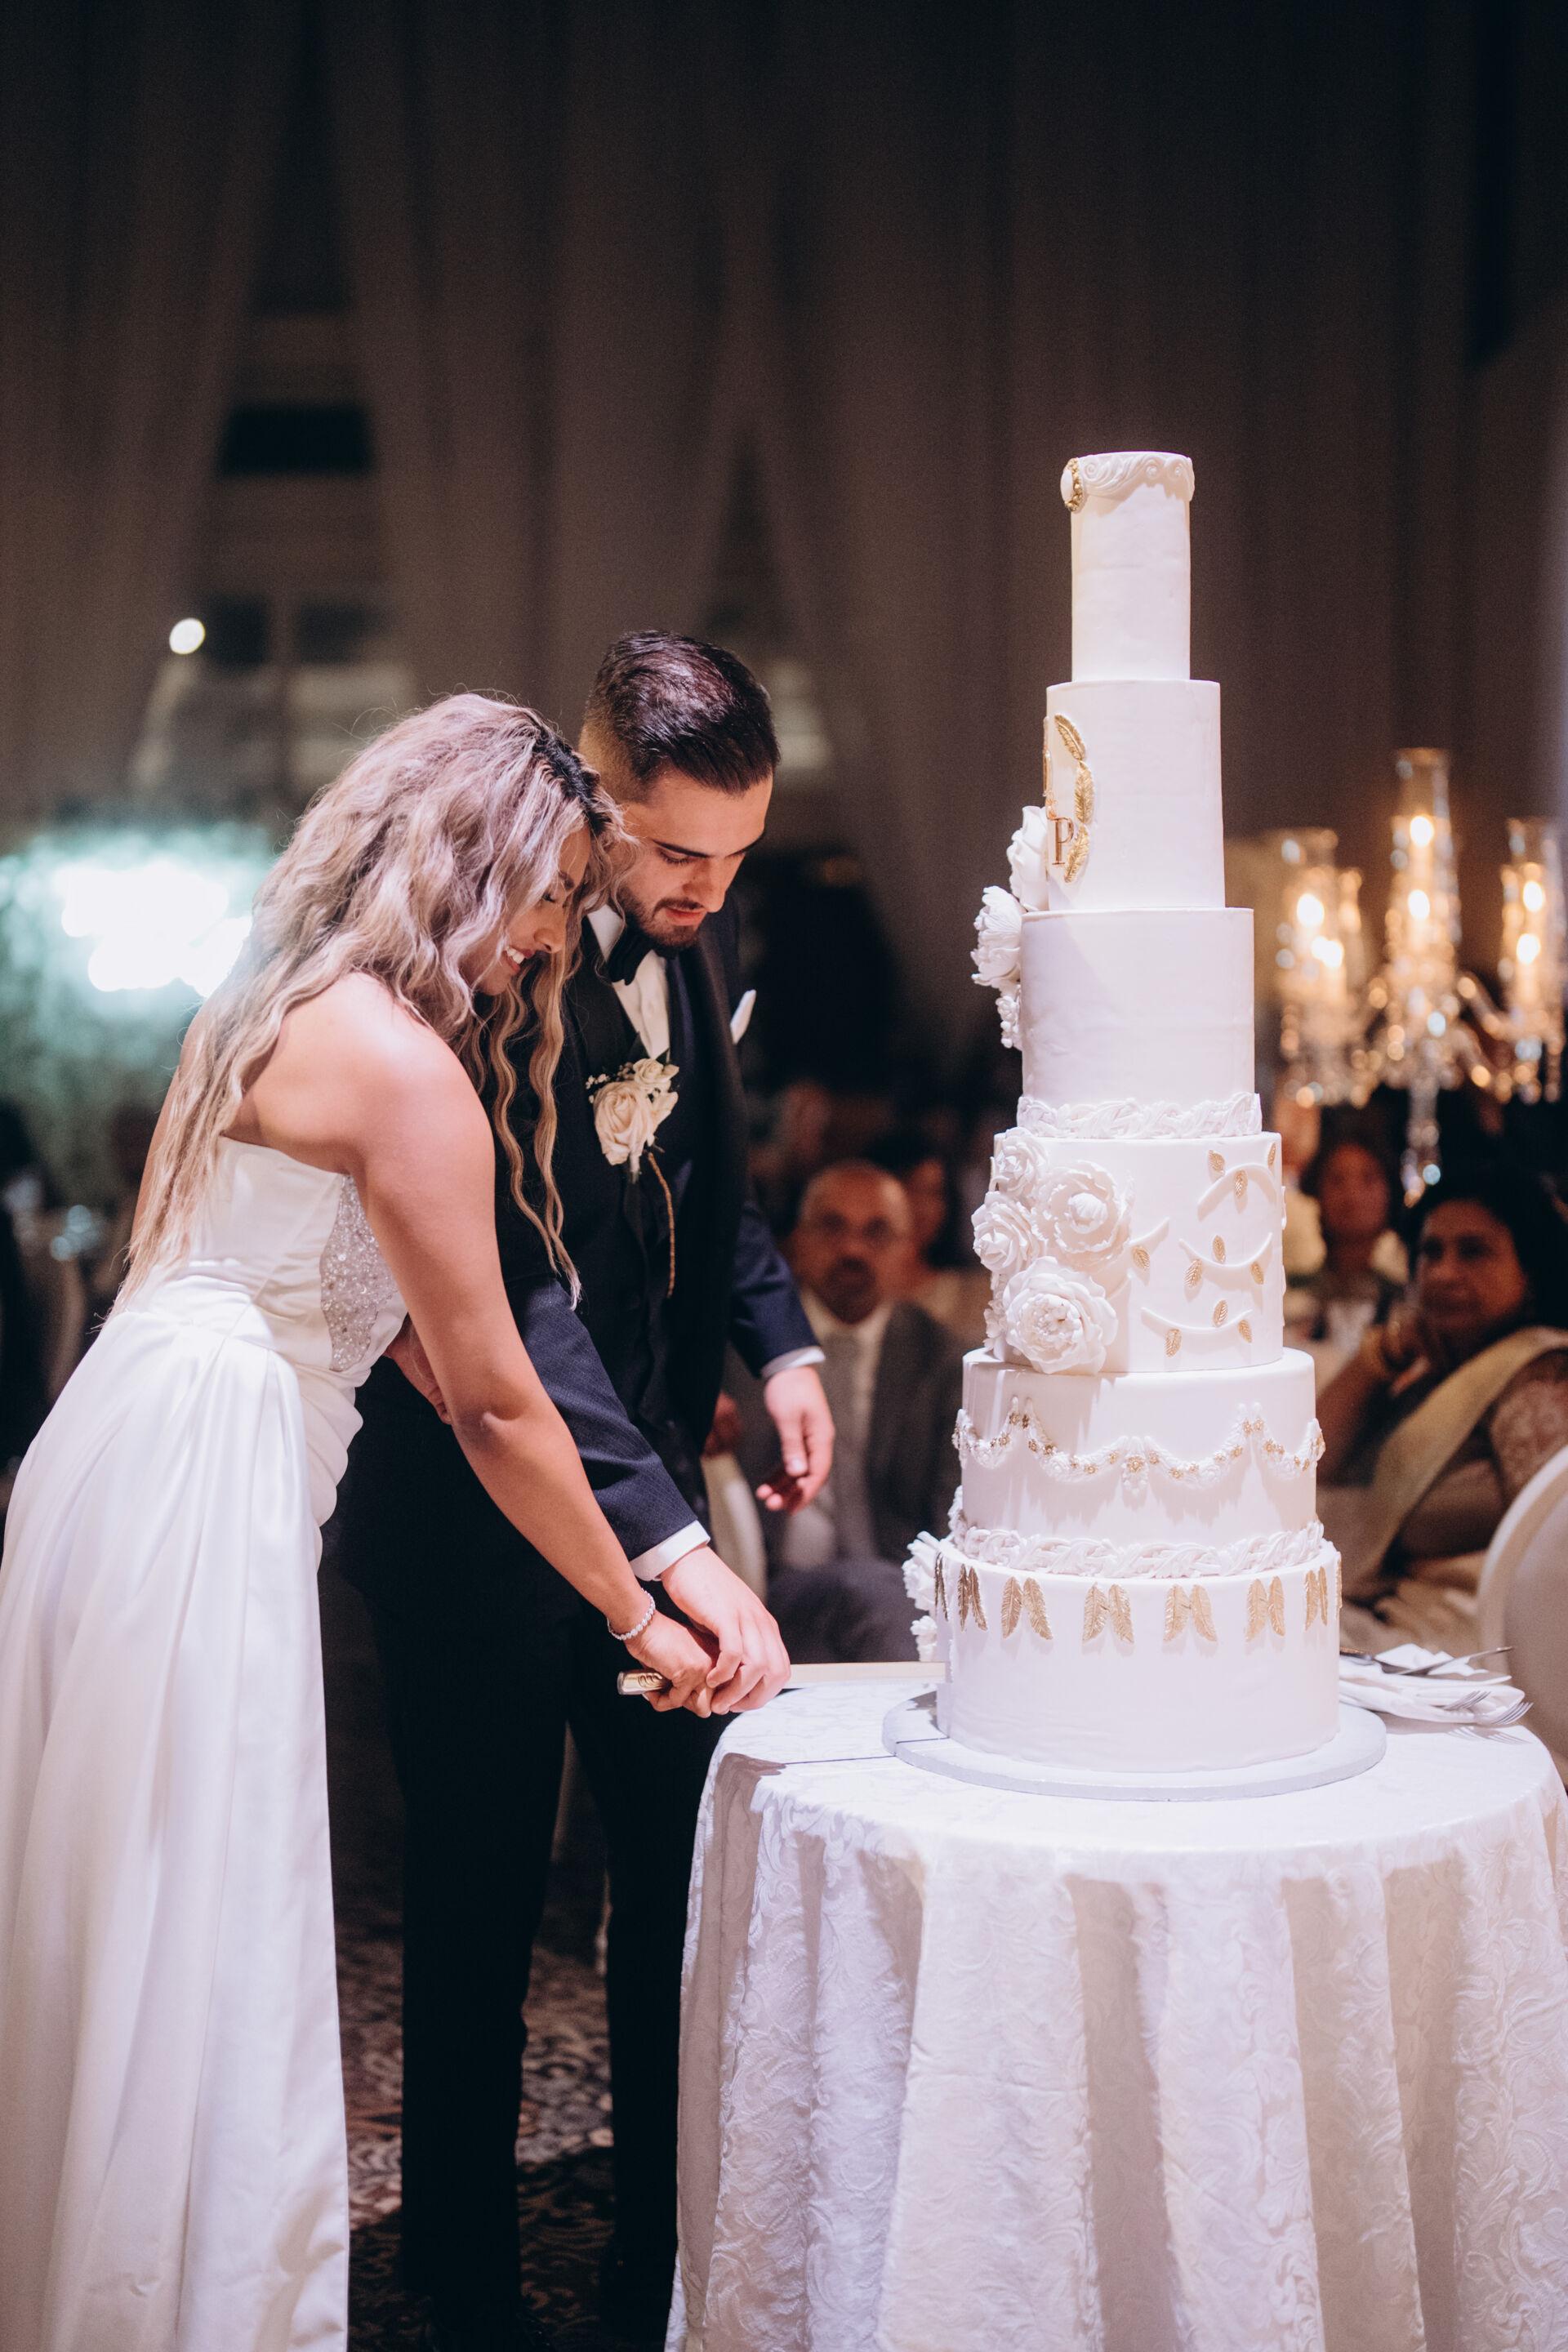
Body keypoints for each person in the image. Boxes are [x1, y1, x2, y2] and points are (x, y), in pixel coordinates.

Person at [0, 694, 785, 2352]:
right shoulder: (413, 1071)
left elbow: (419, 1351)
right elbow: (495, 1398)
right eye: (549, 896)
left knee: (123, 1904)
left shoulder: (267, 1005)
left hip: (121, 1443)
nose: (550, 940)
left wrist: (652, 1564)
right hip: (204, 1478)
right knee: (197, 1904)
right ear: (469, 864)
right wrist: (641, 1616)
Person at [333, 635, 831, 2349]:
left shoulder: (704, 925)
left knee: (678, 1887)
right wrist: (669, 1549)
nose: (710, 890)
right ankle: (463, 2280)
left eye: (740, 857)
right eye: (679, 851)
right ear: (589, 795)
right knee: (473, 1900)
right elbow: (513, 1299)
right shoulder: (477, 958)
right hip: (472, 1503)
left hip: (654, 1468)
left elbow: (705, 1177)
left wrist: (780, 1343)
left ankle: (662, 2250)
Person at [1319, 1160, 1568, 1654]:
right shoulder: (1438, 1374)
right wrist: (1388, 1348)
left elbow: (1554, 1557)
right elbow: (1311, 1460)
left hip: (1452, 1654)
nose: (1442, 1273)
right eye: (1430, 1252)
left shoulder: (1536, 1379)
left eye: (1474, 1252)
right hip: (1376, 1628)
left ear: (1531, 1272)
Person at [735, 1160, 964, 1661]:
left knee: (872, 1589)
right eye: (832, 1227)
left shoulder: (944, 1362)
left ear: (908, 1251)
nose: (853, 1250)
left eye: (877, 1233)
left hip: (899, 1595)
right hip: (769, 1592)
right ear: (796, 1241)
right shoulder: (741, 1350)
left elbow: (956, 1514)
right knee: (861, 1589)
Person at [1288, 1126, 1406, 1383]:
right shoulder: (1290, 1296)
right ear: (1316, 1191)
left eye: (1368, 1179)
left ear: (1390, 1191)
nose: (1352, 1195)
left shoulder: (1406, 1302)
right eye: (1337, 1180)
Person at [869, 1125, 989, 1348]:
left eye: (933, 1193)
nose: (921, 1207)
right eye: (909, 1188)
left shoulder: (974, 1292)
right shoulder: (857, 1284)